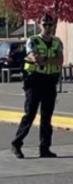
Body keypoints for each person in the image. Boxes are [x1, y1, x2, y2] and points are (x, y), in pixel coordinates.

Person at [11, 15, 63, 159]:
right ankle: (17, 143)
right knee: (30, 114)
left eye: (50, 25)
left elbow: (60, 61)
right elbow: (34, 58)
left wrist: (44, 60)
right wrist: (48, 60)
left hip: (50, 81)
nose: (47, 27)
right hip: (34, 81)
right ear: (40, 25)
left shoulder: (57, 42)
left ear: (53, 25)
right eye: (45, 24)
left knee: (47, 117)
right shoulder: (33, 40)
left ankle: (44, 148)